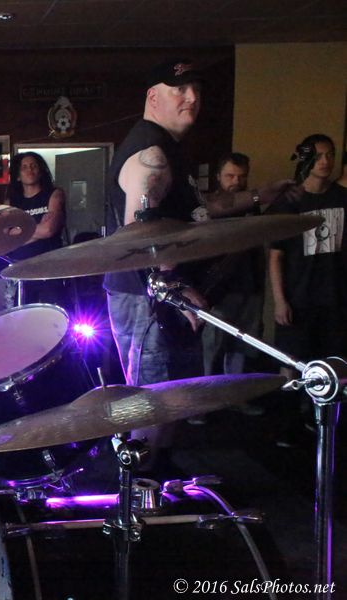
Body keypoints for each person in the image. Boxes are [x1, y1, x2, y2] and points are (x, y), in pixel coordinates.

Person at [103, 59, 297, 455]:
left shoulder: (170, 150)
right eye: (179, 89)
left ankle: (158, 470)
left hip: (158, 293)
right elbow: (139, 233)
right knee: (155, 399)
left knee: (175, 393)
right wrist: (173, 284)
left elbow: (202, 207)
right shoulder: (151, 155)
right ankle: (142, 478)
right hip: (147, 296)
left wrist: (259, 195)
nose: (192, 97)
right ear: (153, 97)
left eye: (197, 90)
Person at [269, 134, 347, 372]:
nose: (325, 161)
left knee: (333, 362)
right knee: (290, 360)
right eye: (319, 156)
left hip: (335, 295)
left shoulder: (342, 197)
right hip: (298, 297)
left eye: (330, 155)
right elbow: (276, 256)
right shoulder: (290, 201)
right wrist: (280, 300)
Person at [201, 153, 266, 378]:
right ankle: (206, 394)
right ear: (218, 176)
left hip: (249, 286)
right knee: (211, 347)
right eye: (230, 176)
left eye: (242, 176)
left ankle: (235, 392)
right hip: (219, 290)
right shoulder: (210, 206)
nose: (236, 181)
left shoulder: (252, 205)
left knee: (242, 346)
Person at [4, 151, 67, 306]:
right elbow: (6, 237)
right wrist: (38, 229)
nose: (30, 170)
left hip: (50, 268)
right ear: (18, 176)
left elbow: (48, 230)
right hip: (21, 269)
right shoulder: (11, 202)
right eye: (24, 167)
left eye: (33, 166)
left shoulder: (54, 194)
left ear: (40, 171)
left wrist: (18, 233)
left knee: (53, 314)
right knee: (21, 315)